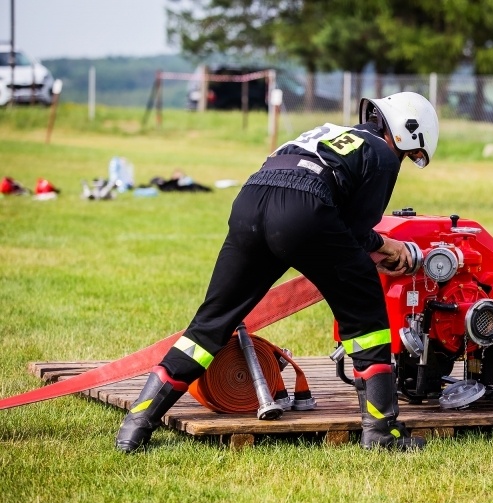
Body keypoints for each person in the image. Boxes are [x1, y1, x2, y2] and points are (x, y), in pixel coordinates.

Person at [116, 92, 439, 453]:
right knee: (366, 319)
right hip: (303, 210)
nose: (405, 159)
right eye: (411, 154)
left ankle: (137, 424)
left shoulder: (328, 133)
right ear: (407, 133)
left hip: (250, 203)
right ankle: (381, 433)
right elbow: (354, 230)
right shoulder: (380, 154)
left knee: (210, 324)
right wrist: (389, 248)